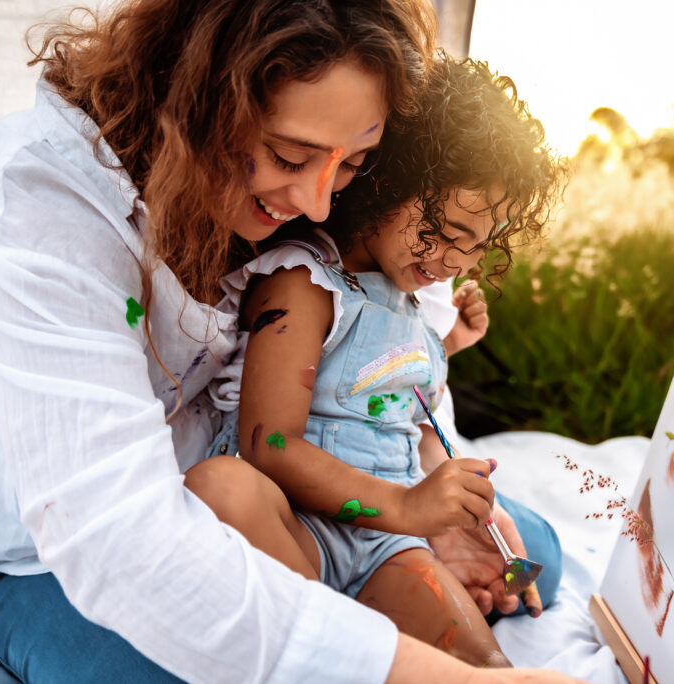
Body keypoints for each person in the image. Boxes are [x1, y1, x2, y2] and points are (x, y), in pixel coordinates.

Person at [0, 1, 580, 681]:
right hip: (43, 554)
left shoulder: (311, 218)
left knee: (536, 557)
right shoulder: (37, 212)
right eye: (288, 155)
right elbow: (119, 540)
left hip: (306, 505)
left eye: (355, 162)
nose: (321, 203)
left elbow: (394, 376)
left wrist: (430, 509)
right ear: (198, 101)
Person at [196, 55, 567, 666]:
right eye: (447, 231)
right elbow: (268, 444)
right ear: (387, 180)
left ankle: (348, 646)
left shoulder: (412, 306)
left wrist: (446, 352)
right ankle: (330, 648)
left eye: (477, 247)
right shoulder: (305, 283)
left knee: (489, 671)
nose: (455, 262)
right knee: (220, 487)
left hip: (387, 550)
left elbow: (382, 385)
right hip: (298, 534)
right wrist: (408, 508)